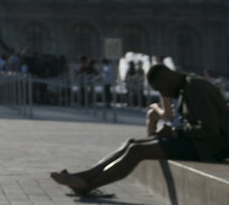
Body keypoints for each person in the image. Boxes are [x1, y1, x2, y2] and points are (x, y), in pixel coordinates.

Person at [50, 64, 229, 194]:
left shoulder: (194, 88)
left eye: (161, 89)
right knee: (131, 143)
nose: (164, 94)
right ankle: (84, 177)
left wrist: (176, 131)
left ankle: (87, 185)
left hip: (208, 147)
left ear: (167, 78)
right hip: (198, 142)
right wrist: (176, 130)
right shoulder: (186, 86)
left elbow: (210, 130)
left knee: (137, 151)